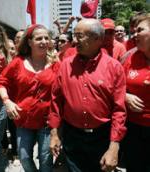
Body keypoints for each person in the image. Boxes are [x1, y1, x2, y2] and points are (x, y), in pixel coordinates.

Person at [49, 19, 127, 172]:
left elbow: (119, 110)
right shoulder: (65, 65)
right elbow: (56, 101)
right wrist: (55, 133)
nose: (74, 40)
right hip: (73, 137)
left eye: (79, 36)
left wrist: (114, 146)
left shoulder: (114, 68)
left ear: (97, 38)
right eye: (74, 35)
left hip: (101, 138)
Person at [0, 24, 59, 172]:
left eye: (46, 38)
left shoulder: (56, 64)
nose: (43, 41)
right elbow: (1, 82)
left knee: (45, 161)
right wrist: (7, 101)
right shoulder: (18, 62)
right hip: (23, 120)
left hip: (47, 122)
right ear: (30, 42)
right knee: (24, 158)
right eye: (38, 38)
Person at [122, 13, 150, 172]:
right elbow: (115, 87)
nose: (135, 34)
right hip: (133, 127)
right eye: (134, 31)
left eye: (140, 30)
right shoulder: (129, 58)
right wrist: (125, 96)